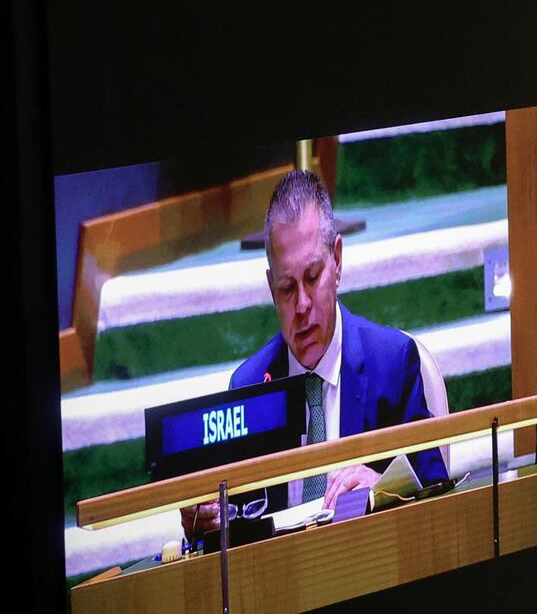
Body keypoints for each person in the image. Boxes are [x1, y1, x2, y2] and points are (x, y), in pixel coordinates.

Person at [181, 170, 448, 538]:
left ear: (337, 260)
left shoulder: (393, 363)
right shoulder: (248, 386)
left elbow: (440, 498)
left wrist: (382, 488)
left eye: (312, 277)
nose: (302, 305)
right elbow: (231, 524)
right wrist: (206, 521)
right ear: (271, 289)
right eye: (287, 288)